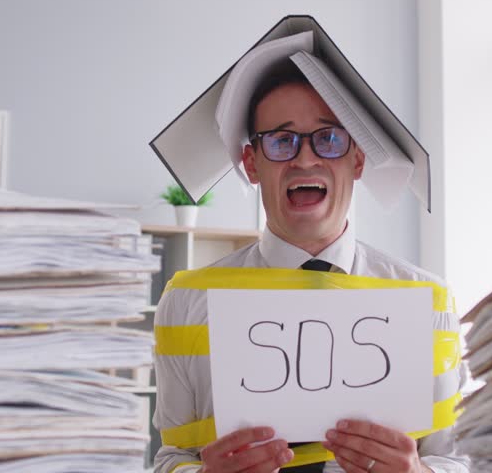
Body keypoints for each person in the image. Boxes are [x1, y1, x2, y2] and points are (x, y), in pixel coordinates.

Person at [152, 61, 470, 473]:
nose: (305, 158)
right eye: (282, 141)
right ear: (252, 163)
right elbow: (170, 458)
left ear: (357, 160)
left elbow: (459, 460)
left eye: (329, 138)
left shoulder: (427, 302)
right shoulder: (188, 302)